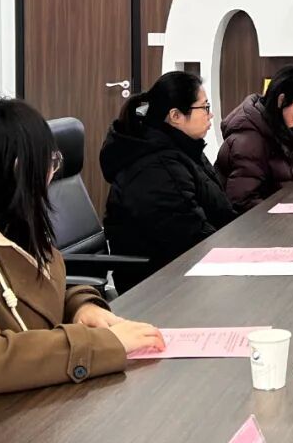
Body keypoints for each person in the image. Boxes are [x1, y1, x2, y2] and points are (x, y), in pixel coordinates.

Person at [0, 97, 164, 408]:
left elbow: (33, 294)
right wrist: (101, 345)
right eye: (50, 162)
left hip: (24, 404)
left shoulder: (3, 220)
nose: (52, 175)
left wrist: (80, 306)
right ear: (19, 169)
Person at [100, 71, 236, 292]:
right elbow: (190, 237)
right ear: (175, 116)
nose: (210, 115)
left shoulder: (186, 149)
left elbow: (217, 211)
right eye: (205, 107)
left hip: (188, 271)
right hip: (159, 287)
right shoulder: (155, 169)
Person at [217, 65, 293, 213]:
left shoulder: (279, 130)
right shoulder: (249, 141)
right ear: (282, 100)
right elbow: (243, 201)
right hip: (256, 224)